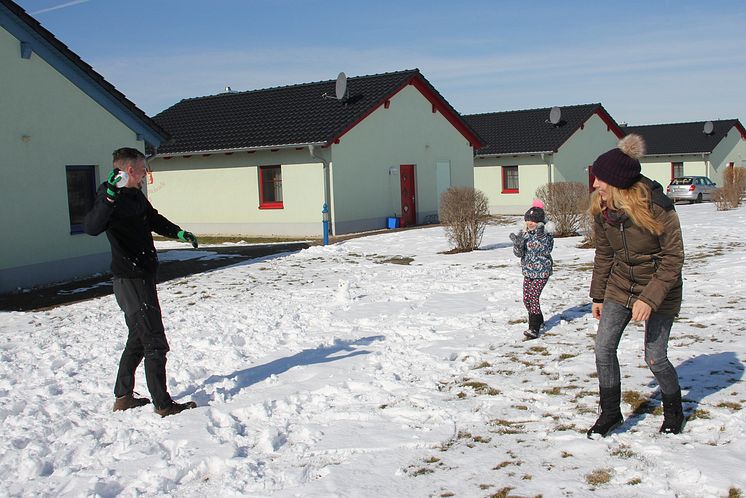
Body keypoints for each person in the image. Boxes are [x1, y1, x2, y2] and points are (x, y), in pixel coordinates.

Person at [84, 147, 199, 417]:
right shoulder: (108, 195)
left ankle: (123, 397)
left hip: (142, 275)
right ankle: (163, 404)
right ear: (129, 170)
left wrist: (179, 232)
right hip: (129, 278)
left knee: (138, 336)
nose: (147, 174)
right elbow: (91, 227)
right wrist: (110, 197)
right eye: (143, 169)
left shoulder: (135, 195)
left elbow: (153, 219)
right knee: (155, 341)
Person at [586, 134, 686, 437]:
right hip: (620, 285)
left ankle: (674, 411)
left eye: (600, 179)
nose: (594, 185)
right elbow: (604, 253)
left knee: (655, 358)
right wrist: (598, 296)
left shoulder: (658, 207)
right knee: (603, 349)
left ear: (617, 182)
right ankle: (611, 414)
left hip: (660, 287)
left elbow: (673, 259)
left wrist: (650, 299)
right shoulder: (603, 209)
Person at [510, 199, 554, 339]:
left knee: (533, 297)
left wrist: (540, 236)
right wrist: (518, 245)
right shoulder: (524, 234)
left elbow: (546, 250)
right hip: (528, 271)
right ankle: (539, 319)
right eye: (528, 220)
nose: (530, 223)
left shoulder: (546, 235)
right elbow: (519, 254)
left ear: (540, 222)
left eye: (534, 221)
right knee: (526, 299)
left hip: (542, 272)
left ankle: (533, 328)